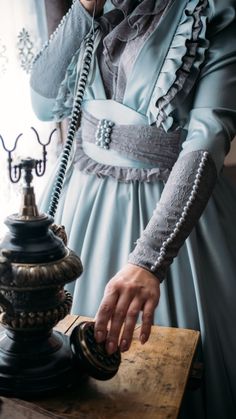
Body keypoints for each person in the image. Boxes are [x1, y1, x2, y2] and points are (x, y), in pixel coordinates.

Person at [30, 0, 236, 417]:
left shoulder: (212, 9)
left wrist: (149, 260)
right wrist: (85, 10)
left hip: (169, 216)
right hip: (78, 202)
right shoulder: (80, 10)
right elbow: (44, 104)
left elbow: (208, 139)